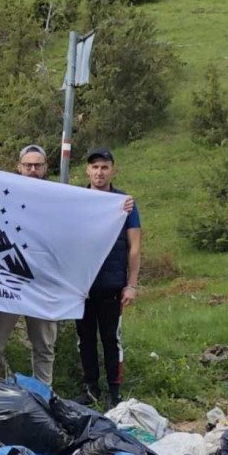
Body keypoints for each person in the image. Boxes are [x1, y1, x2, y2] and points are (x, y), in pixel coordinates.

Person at [0, 145, 58, 382]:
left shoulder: (59, 197)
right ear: (19, 167)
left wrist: (117, 207)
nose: (33, 170)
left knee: (44, 345)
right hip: (7, 280)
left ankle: (44, 396)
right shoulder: (3, 194)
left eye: (38, 165)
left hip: (42, 281)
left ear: (45, 168)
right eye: (28, 165)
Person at [76, 148, 142, 409]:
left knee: (111, 339)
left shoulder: (125, 203)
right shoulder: (76, 199)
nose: (99, 172)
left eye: (104, 167)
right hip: (82, 286)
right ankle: (90, 388)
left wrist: (132, 284)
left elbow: (134, 246)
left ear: (112, 170)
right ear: (87, 171)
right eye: (95, 167)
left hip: (112, 285)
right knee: (85, 339)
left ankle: (114, 392)